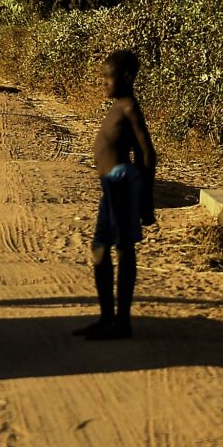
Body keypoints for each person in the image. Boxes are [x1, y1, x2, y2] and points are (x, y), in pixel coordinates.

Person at [78, 49, 157, 340]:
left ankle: (122, 322)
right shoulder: (118, 106)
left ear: (125, 78)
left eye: (107, 79)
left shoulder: (129, 108)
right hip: (110, 188)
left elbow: (147, 153)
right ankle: (106, 318)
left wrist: (146, 200)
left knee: (123, 250)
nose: (103, 84)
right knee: (100, 250)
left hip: (123, 183)